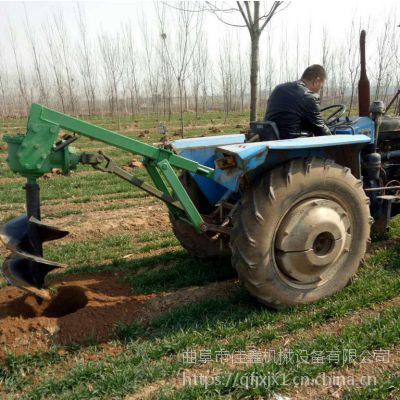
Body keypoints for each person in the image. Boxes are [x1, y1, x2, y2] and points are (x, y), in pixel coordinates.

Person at [264, 64, 332, 139]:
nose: (319, 90)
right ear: (316, 81)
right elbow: (321, 131)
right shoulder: (308, 96)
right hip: (294, 143)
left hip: (272, 139)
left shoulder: (278, 89)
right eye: (321, 87)